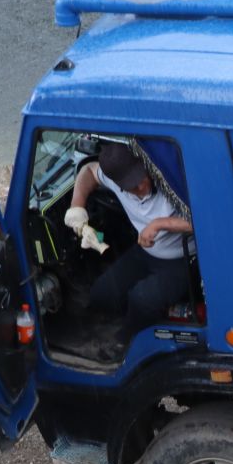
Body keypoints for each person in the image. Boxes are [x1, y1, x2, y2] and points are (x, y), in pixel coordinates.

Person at [63, 140, 193, 360]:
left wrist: (160, 224)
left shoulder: (169, 177)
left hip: (182, 259)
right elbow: (88, 172)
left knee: (142, 299)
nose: (142, 186)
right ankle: (126, 319)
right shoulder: (113, 181)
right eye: (133, 186)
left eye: (142, 179)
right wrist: (77, 207)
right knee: (102, 293)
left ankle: (127, 340)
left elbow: (204, 218)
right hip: (146, 253)